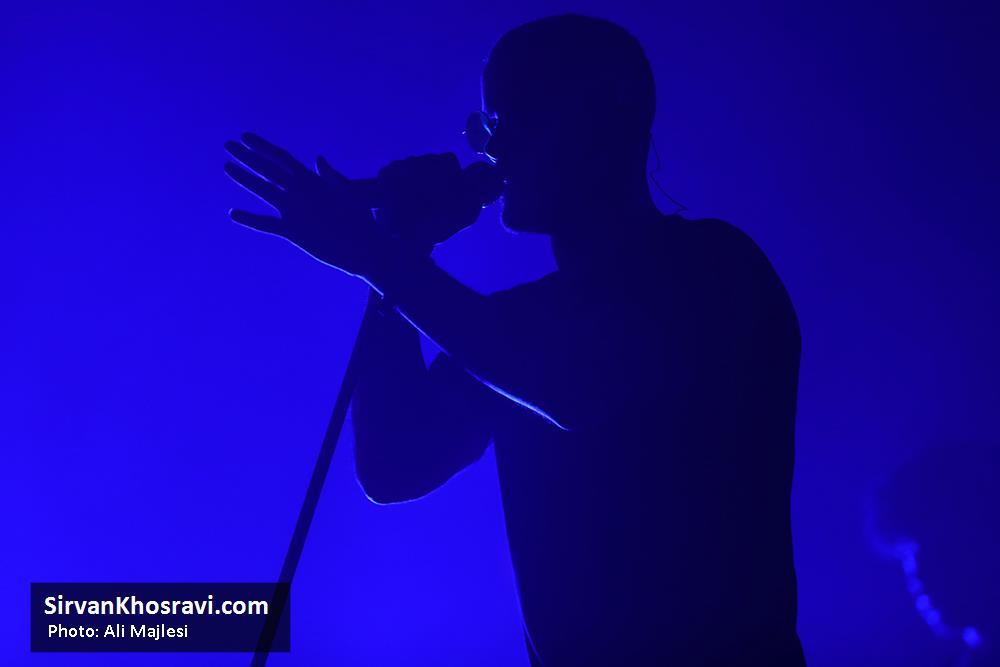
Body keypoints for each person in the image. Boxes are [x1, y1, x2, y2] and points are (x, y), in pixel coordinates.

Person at [224, 14, 806, 666]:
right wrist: (400, 243)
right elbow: (393, 464)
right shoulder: (514, 325)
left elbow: (578, 388)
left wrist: (378, 257)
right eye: (486, 125)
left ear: (599, 120)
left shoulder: (713, 268)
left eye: (510, 118)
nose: (491, 147)